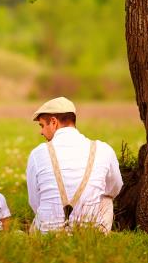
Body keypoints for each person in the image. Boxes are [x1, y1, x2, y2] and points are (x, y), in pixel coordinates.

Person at [26, 97, 123, 233]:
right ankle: (99, 235)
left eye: (42, 126)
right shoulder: (103, 149)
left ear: (53, 122)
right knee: (106, 198)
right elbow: (115, 188)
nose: (41, 132)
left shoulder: (37, 153)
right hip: (89, 233)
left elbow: (34, 201)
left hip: (48, 233)